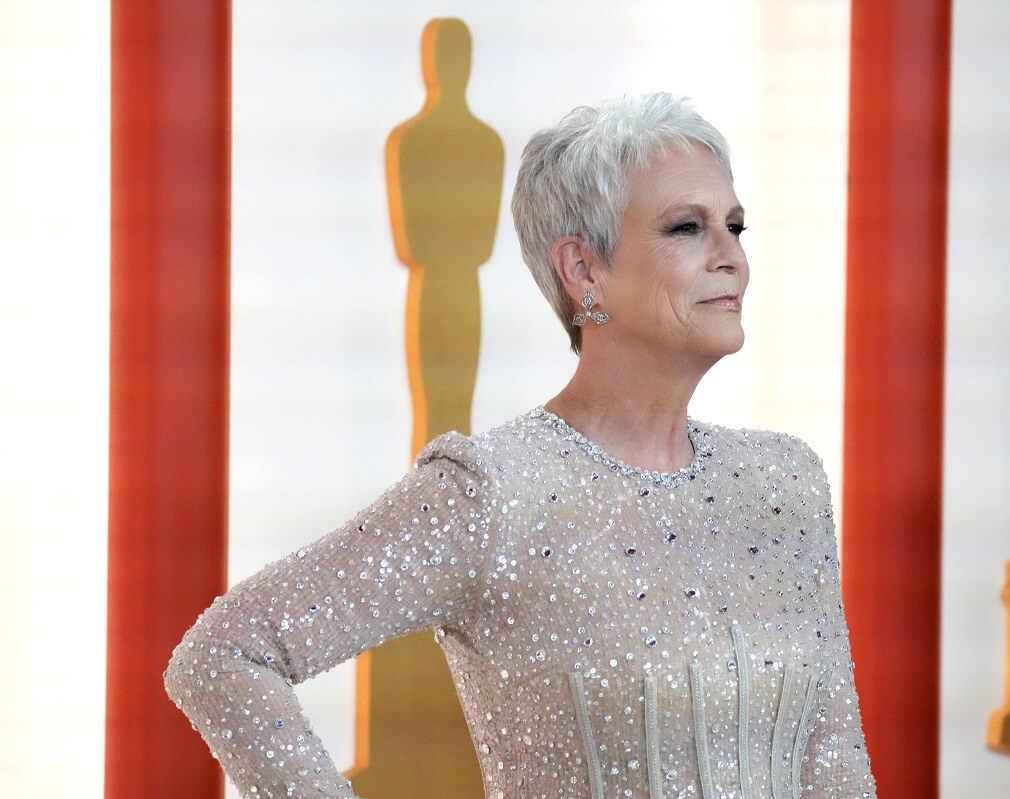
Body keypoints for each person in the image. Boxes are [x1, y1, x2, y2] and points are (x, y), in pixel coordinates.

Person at [165, 92, 878, 799]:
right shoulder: (494, 490)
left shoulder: (787, 484)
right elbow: (224, 654)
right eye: (688, 228)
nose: (732, 258)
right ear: (583, 270)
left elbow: (836, 762)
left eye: (736, 225)